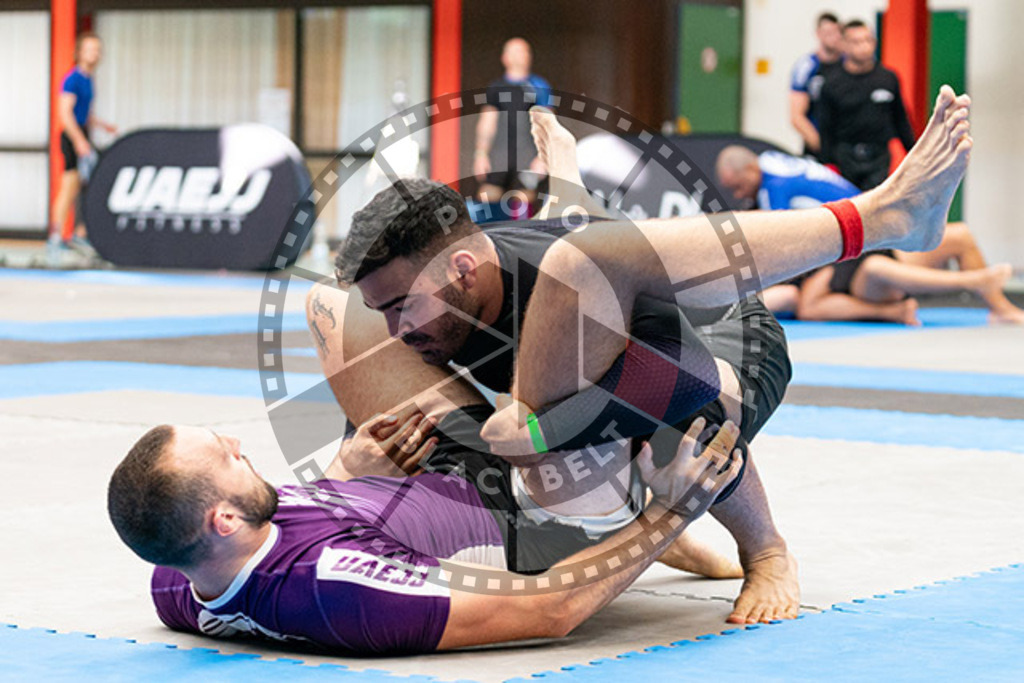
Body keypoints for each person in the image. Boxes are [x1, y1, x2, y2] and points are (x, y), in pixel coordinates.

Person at [322, 84, 972, 624]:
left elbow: (682, 381)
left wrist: (536, 430)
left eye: (404, 304)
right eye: (384, 307)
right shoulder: (470, 273)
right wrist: (353, 466)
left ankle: (768, 549)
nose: (396, 326)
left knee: (659, 423)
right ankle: (656, 523)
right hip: (602, 319)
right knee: (516, 355)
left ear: (463, 269)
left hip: (722, 345)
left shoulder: (565, 273)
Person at [107, 408, 741, 654]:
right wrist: (673, 513)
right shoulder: (344, 592)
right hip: (528, 519)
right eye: (227, 456)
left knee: (342, 309)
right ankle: (627, 520)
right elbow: (554, 609)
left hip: (439, 476)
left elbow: (297, 540)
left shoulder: (176, 577)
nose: (240, 443)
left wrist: (343, 476)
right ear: (223, 519)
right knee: (624, 383)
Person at [715, 145, 1023, 324]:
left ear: (750, 172)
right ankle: (997, 303)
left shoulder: (774, 188)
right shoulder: (776, 163)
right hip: (863, 228)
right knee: (957, 237)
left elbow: (774, 242)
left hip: (850, 238)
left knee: (814, 299)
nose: (738, 194)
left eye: (738, 186)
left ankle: (988, 296)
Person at [818, 20, 916, 190]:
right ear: (844, 45)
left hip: (878, 156)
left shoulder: (887, 78)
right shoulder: (831, 83)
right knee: (848, 207)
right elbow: (826, 128)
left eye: (867, 40)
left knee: (875, 208)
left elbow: (900, 119)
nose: (863, 46)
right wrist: (827, 164)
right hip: (845, 156)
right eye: (856, 42)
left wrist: (914, 154)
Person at [48, 32, 117, 261]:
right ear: (79, 52)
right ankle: (56, 234)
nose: (94, 54)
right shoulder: (73, 79)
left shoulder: (89, 79)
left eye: (97, 49)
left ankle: (80, 233)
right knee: (69, 185)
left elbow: (85, 114)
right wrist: (78, 140)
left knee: (85, 186)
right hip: (71, 136)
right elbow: (65, 114)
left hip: (83, 134)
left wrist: (103, 125)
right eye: (89, 49)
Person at [473, 38, 552, 211]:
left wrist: (542, 158)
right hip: (499, 154)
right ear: (504, 57)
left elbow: (547, 123)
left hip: (527, 154)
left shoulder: (538, 86)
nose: (518, 56)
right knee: (487, 197)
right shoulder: (496, 87)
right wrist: (481, 154)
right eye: (513, 52)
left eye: (523, 51)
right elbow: (487, 121)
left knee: (523, 202)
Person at [790, 12, 843, 160]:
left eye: (836, 32)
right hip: (817, 144)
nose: (833, 37)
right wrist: (820, 145)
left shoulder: (848, 64)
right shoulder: (807, 66)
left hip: (844, 146)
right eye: (827, 32)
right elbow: (796, 116)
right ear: (818, 34)